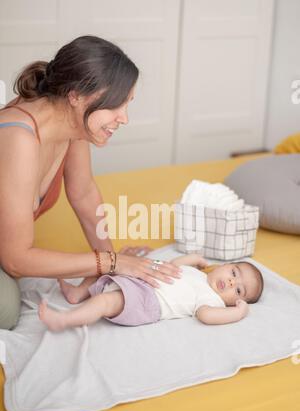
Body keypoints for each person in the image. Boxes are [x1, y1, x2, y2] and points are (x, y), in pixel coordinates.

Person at [0, 35, 181, 330]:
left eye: (127, 105)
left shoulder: (72, 124)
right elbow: (16, 261)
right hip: (8, 254)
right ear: (76, 96)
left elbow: (83, 194)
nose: (124, 118)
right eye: (116, 106)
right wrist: (109, 262)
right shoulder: (19, 137)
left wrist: (111, 268)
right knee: (6, 311)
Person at [38, 253, 264, 331]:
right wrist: (192, 259)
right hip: (142, 280)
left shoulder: (211, 299)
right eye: (233, 272)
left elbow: (206, 315)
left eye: (238, 290)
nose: (231, 282)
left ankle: (65, 320)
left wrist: (238, 314)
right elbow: (174, 266)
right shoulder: (199, 275)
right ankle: (78, 294)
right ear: (225, 265)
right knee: (107, 263)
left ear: (235, 302)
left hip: (148, 301)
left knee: (106, 301)